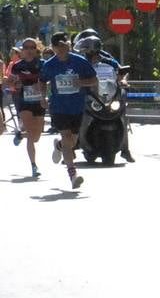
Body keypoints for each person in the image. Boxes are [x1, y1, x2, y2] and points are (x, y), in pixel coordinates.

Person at [38, 31, 98, 189]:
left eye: (66, 46)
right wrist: (43, 97)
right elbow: (42, 81)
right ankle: (73, 175)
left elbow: (94, 79)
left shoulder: (80, 62)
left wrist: (81, 83)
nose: (63, 49)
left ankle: (58, 146)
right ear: (54, 47)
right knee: (66, 137)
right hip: (59, 107)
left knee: (72, 141)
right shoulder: (49, 65)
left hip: (76, 106)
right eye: (60, 46)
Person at [75, 31, 134, 162]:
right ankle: (73, 145)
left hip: (107, 94)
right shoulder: (79, 60)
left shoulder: (107, 59)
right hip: (89, 94)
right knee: (78, 116)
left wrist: (123, 80)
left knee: (123, 116)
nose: (84, 49)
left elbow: (120, 71)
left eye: (86, 46)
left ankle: (125, 150)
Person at [8, 37, 45, 177]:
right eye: (26, 48)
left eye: (32, 47)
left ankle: (20, 134)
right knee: (31, 135)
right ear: (22, 51)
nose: (29, 50)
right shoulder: (17, 66)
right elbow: (9, 82)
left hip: (39, 101)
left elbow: (49, 81)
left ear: (37, 50)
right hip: (24, 101)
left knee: (36, 137)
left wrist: (43, 89)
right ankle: (34, 166)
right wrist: (14, 84)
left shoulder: (43, 64)